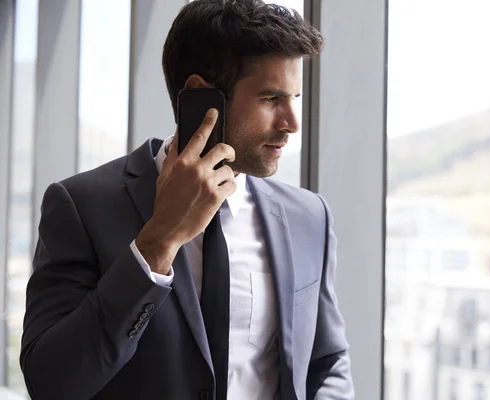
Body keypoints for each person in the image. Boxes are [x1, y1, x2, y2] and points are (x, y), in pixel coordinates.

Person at [20, 1, 354, 399]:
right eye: (270, 99)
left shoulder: (309, 217)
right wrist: (159, 241)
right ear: (201, 96)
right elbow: (52, 383)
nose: (292, 124)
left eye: (294, 98)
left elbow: (327, 363)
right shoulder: (81, 206)